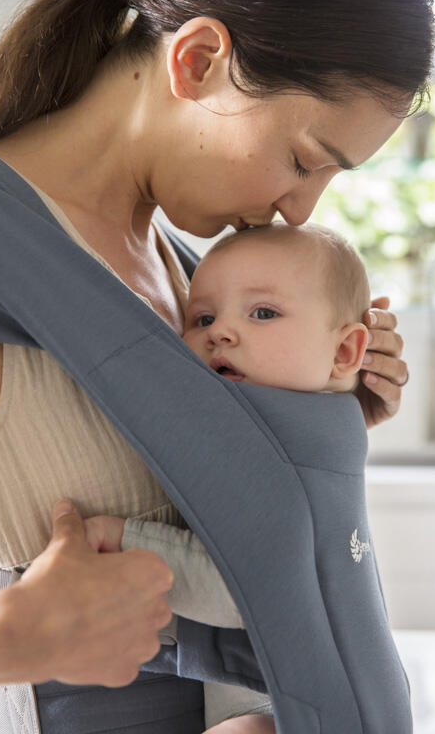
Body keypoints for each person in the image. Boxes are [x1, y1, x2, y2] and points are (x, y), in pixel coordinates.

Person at [0, 0, 432, 731]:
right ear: (197, 60)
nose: (302, 208)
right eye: (306, 160)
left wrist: (303, 422)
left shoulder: (198, 278)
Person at [83, 222, 373, 734]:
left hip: (278, 694)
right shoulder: (321, 423)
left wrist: (125, 540)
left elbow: (252, 586)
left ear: (345, 353)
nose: (221, 331)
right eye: (203, 317)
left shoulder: (287, 447)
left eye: (263, 313)